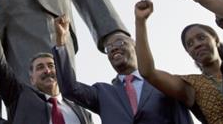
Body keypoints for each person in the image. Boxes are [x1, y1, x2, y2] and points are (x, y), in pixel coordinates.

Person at [52, 15, 191, 124]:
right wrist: (61, 41)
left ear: (135, 47)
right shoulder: (103, 93)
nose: (114, 48)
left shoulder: (162, 84)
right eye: (109, 47)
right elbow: (69, 88)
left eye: (120, 42)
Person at [0, 0, 92, 124]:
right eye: (40, 67)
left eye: (51, 65)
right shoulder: (20, 98)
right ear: (32, 79)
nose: (47, 70)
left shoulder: (82, 112)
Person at [134, 0, 223, 124]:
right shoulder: (192, 85)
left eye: (201, 38)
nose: (197, 44)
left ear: (215, 39)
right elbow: (148, 72)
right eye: (190, 44)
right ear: (189, 53)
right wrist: (140, 22)